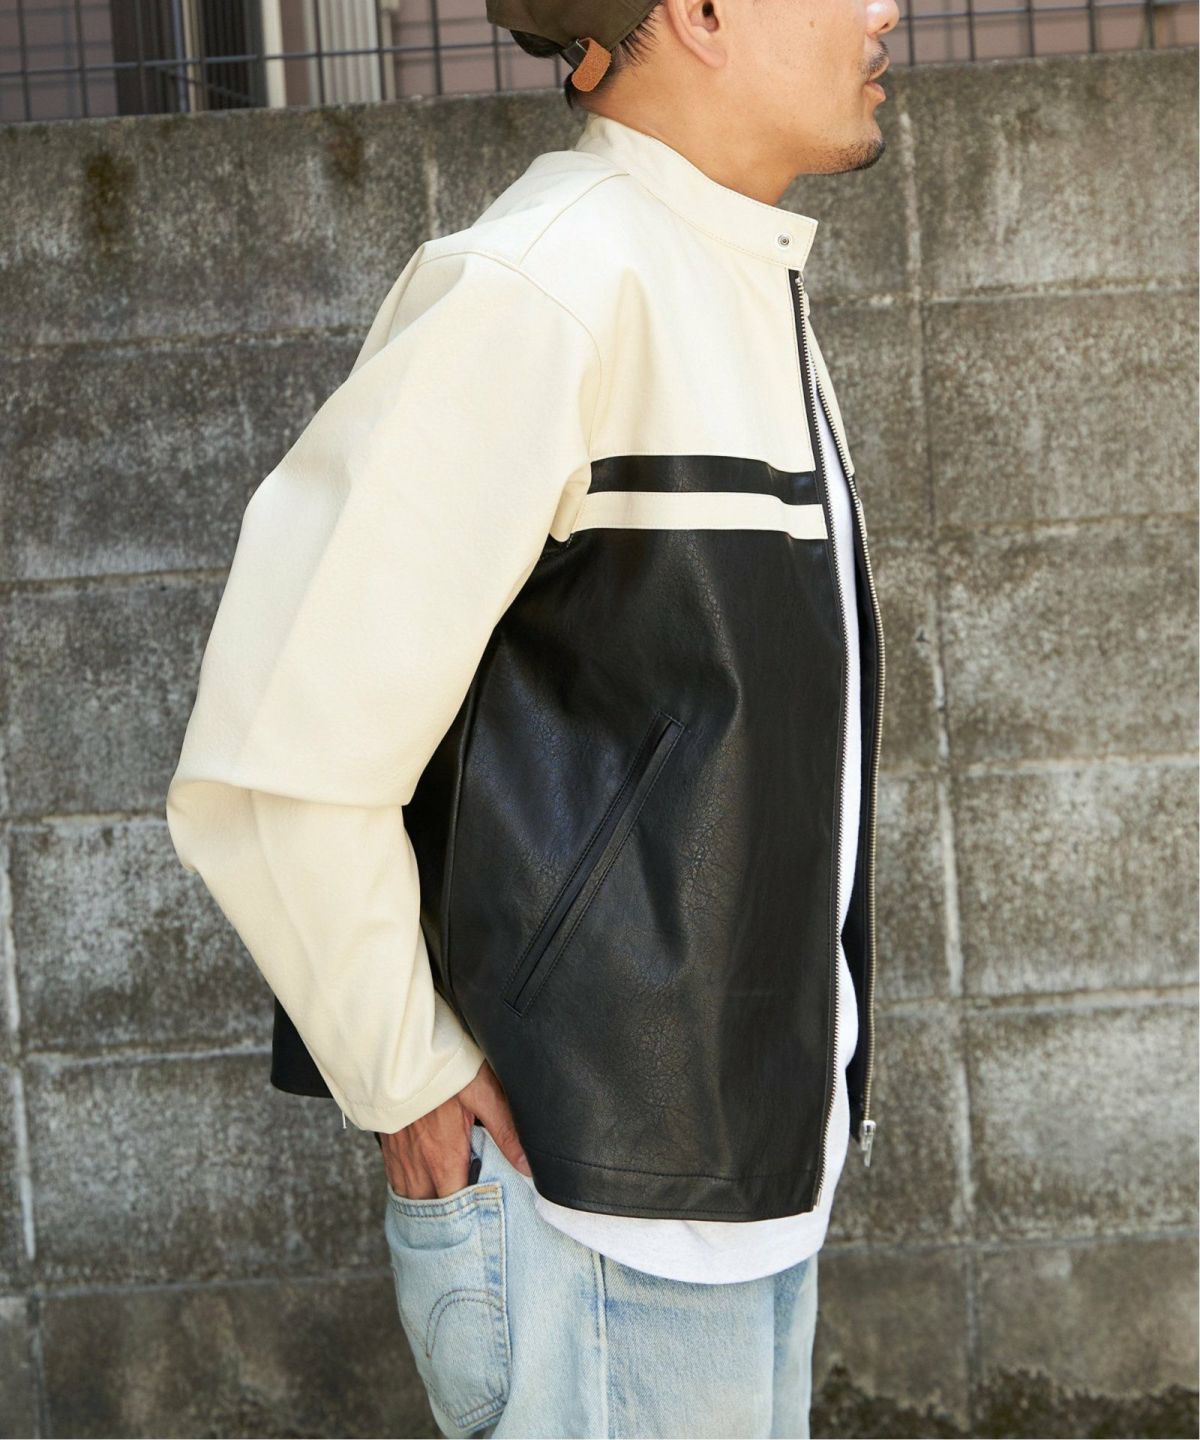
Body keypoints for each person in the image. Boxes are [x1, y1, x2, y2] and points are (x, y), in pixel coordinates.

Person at [164, 0, 898, 1428]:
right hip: (588, 1219)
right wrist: (406, 1077)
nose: (884, 11)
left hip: (729, 1196)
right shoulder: (546, 287)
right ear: (697, 13)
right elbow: (280, 756)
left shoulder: (720, 274)